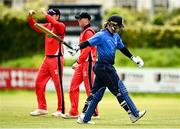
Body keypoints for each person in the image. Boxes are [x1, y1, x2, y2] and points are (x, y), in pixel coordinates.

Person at [74, 15, 146, 124]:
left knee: (95, 94)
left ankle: (84, 118)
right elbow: (88, 42)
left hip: (106, 67)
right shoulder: (101, 35)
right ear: (111, 25)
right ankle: (133, 114)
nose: (119, 29)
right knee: (119, 91)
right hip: (103, 67)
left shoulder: (116, 36)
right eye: (117, 27)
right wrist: (77, 48)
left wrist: (133, 58)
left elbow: (123, 49)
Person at [28, 8, 66, 117]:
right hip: (47, 59)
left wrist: (45, 14)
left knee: (58, 84)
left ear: (57, 16)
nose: (49, 16)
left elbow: (54, 22)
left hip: (56, 58)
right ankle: (42, 108)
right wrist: (30, 17)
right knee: (39, 82)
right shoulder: (48, 26)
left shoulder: (60, 26)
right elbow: (35, 26)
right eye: (49, 14)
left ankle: (61, 109)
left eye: (52, 15)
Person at [62, 12, 99, 118]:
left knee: (89, 88)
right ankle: (74, 112)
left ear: (86, 20)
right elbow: (83, 48)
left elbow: (88, 49)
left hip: (88, 62)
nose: (78, 21)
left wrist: (78, 61)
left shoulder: (89, 32)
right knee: (73, 87)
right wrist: (76, 51)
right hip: (83, 62)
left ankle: (94, 111)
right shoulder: (84, 32)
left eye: (80, 19)